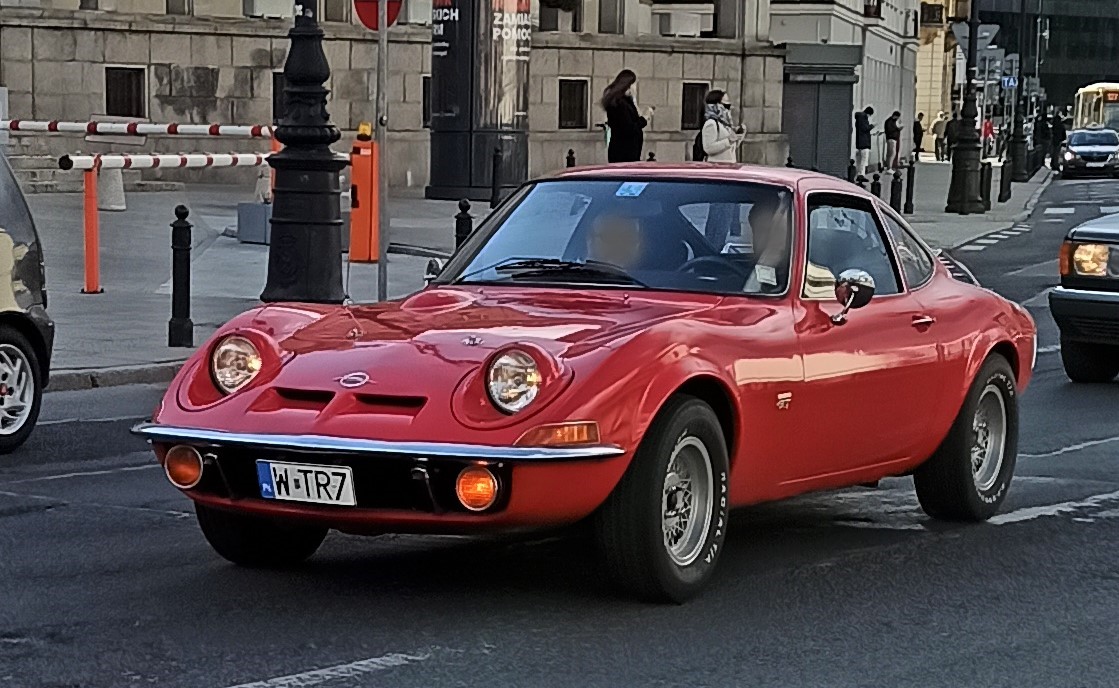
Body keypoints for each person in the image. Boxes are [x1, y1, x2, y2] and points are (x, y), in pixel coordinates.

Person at [601, 70, 653, 163]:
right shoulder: (620, 104)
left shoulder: (624, 101)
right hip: (625, 153)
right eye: (634, 85)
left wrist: (634, 101)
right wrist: (645, 118)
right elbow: (630, 128)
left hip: (626, 151)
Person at [700, 90, 744, 163]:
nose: (729, 108)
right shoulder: (711, 123)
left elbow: (730, 148)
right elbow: (708, 148)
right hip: (716, 166)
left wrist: (739, 136)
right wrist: (728, 140)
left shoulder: (725, 124)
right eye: (726, 105)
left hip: (728, 166)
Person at [854, 106, 874, 180]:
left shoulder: (859, 118)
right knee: (864, 160)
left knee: (859, 160)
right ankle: (861, 175)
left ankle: (859, 174)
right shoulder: (863, 118)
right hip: (864, 143)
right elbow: (865, 128)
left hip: (859, 142)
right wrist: (872, 126)